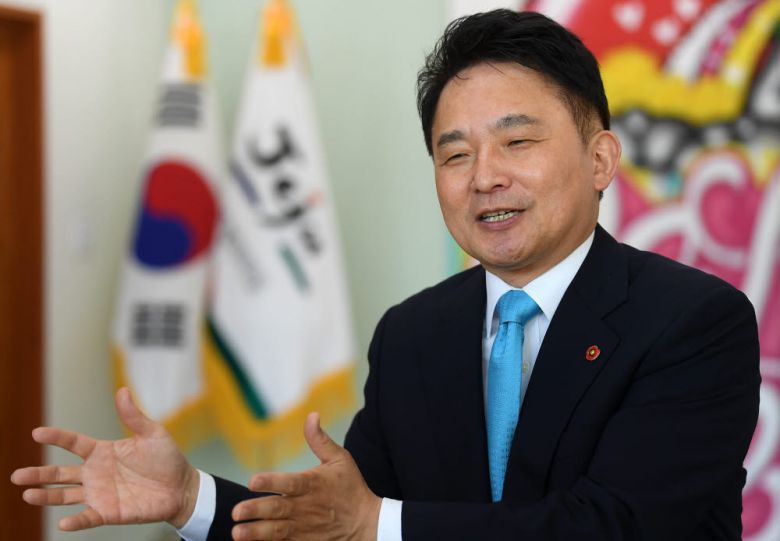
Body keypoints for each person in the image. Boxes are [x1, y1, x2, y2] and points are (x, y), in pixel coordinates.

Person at [12, 9, 760, 541]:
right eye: (455, 153)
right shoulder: (413, 334)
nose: (484, 177)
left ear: (600, 159)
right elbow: (335, 521)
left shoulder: (694, 321)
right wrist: (190, 497)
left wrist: (376, 522)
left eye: (517, 142)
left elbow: (613, 525)